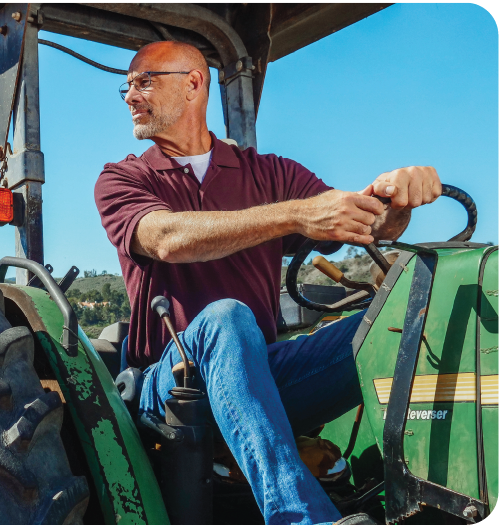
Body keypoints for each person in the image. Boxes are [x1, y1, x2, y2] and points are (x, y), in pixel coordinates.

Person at [93, 41, 441, 525]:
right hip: (168, 383)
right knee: (227, 317)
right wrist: (296, 214)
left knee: (406, 319)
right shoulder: (123, 179)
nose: (130, 95)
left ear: (194, 83)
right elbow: (168, 238)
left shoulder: (271, 173)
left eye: (144, 81)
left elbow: (360, 223)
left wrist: (397, 201)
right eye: (127, 86)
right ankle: (303, 518)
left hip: (264, 373)